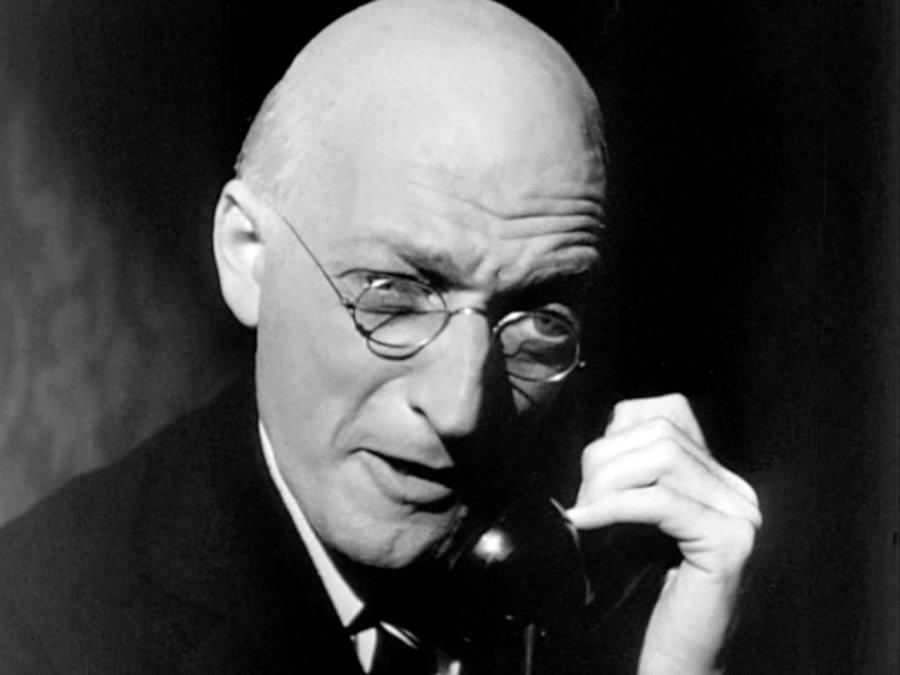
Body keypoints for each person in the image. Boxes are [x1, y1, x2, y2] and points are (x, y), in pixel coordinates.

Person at [0, 0, 762, 673]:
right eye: (395, 295)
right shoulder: (38, 634)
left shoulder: (603, 603)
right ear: (248, 254)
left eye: (536, 318)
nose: (460, 408)